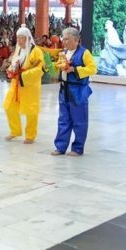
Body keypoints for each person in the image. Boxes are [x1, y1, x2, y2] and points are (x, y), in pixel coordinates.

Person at [51, 27, 97, 156]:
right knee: (63, 119)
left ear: (76, 40)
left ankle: (77, 148)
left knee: (79, 120)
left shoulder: (84, 53)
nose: (64, 41)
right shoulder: (64, 52)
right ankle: (60, 147)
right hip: (64, 90)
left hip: (78, 90)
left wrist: (75, 70)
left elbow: (93, 69)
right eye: (63, 38)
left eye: (67, 39)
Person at [3, 25, 45, 144]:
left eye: (22, 38)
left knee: (31, 110)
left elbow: (40, 69)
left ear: (28, 38)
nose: (20, 41)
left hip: (29, 85)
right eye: (18, 38)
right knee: (8, 106)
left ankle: (30, 135)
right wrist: (11, 70)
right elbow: (14, 64)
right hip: (16, 83)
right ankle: (15, 130)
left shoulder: (36, 51)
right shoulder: (18, 50)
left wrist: (23, 76)